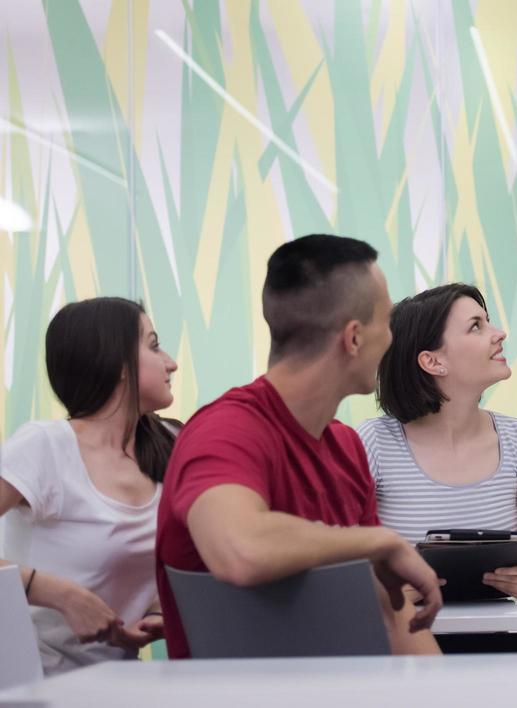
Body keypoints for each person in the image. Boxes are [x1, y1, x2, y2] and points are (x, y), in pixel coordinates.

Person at [155, 234, 443, 658]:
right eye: (387, 323)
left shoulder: (346, 447)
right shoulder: (225, 430)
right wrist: (380, 541)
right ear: (354, 338)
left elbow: (389, 611)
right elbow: (240, 549)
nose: (392, 339)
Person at [0, 298, 178, 674]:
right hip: (28, 683)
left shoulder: (169, 445)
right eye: (153, 345)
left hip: (113, 683)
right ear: (117, 365)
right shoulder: (44, 447)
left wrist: (159, 612)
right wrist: (58, 594)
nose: (170, 361)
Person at [359, 283, 517, 601]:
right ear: (432, 362)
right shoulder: (371, 444)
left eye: (488, 321)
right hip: (404, 639)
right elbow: (338, 564)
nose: (499, 334)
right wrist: (384, 586)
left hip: (504, 638)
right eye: (476, 327)